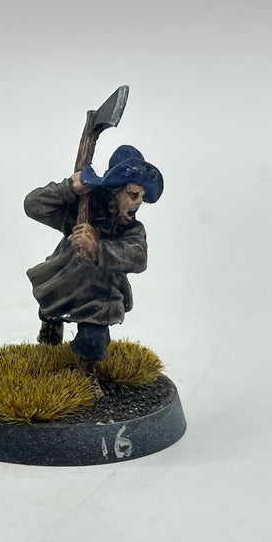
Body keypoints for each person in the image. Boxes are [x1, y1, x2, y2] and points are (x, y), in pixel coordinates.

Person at [24, 145, 163, 392]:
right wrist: (68, 188)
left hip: (102, 293)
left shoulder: (133, 229)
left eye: (141, 196)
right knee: (50, 308)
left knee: (94, 338)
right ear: (116, 190)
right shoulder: (83, 208)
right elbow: (33, 205)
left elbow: (138, 257)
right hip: (65, 279)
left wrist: (98, 248)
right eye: (133, 194)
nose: (138, 203)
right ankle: (50, 328)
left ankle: (86, 373)